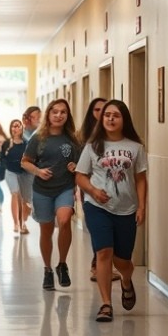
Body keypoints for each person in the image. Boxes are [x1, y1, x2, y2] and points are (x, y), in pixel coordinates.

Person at [75, 100, 148, 322]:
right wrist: (93, 191)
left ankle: (126, 280)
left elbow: (140, 179)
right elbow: (80, 175)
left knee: (122, 261)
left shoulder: (136, 147)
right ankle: (106, 304)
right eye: (107, 115)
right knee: (104, 252)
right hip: (97, 207)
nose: (110, 118)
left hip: (126, 209)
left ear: (123, 119)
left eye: (115, 115)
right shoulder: (92, 146)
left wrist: (142, 206)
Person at [21, 99, 81, 291]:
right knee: (46, 230)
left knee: (64, 221)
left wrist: (75, 167)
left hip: (64, 187)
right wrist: (38, 171)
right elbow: (25, 162)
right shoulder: (38, 138)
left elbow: (81, 165)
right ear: (48, 114)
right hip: (42, 190)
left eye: (63, 112)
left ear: (67, 116)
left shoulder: (72, 139)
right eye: (55, 112)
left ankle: (62, 264)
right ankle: (47, 269)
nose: (58, 115)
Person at [78, 97, 120, 282]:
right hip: (88, 187)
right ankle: (98, 264)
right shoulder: (83, 137)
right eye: (97, 110)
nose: (102, 114)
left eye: (105, 110)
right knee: (97, 227)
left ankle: (105, 264)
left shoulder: (117, 137)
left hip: (115, 191)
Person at [2, 119, 32, 233]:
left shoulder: (27, 143)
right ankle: (16, 223)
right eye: (13, 126)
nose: (15, 128)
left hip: (25, 173)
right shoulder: (7, 143)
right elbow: (2, 158)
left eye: (17, 126)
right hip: (11, 172)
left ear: (21, 128)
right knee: (15, 194)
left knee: (25, 200)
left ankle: (23, 222)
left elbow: (32, 157)